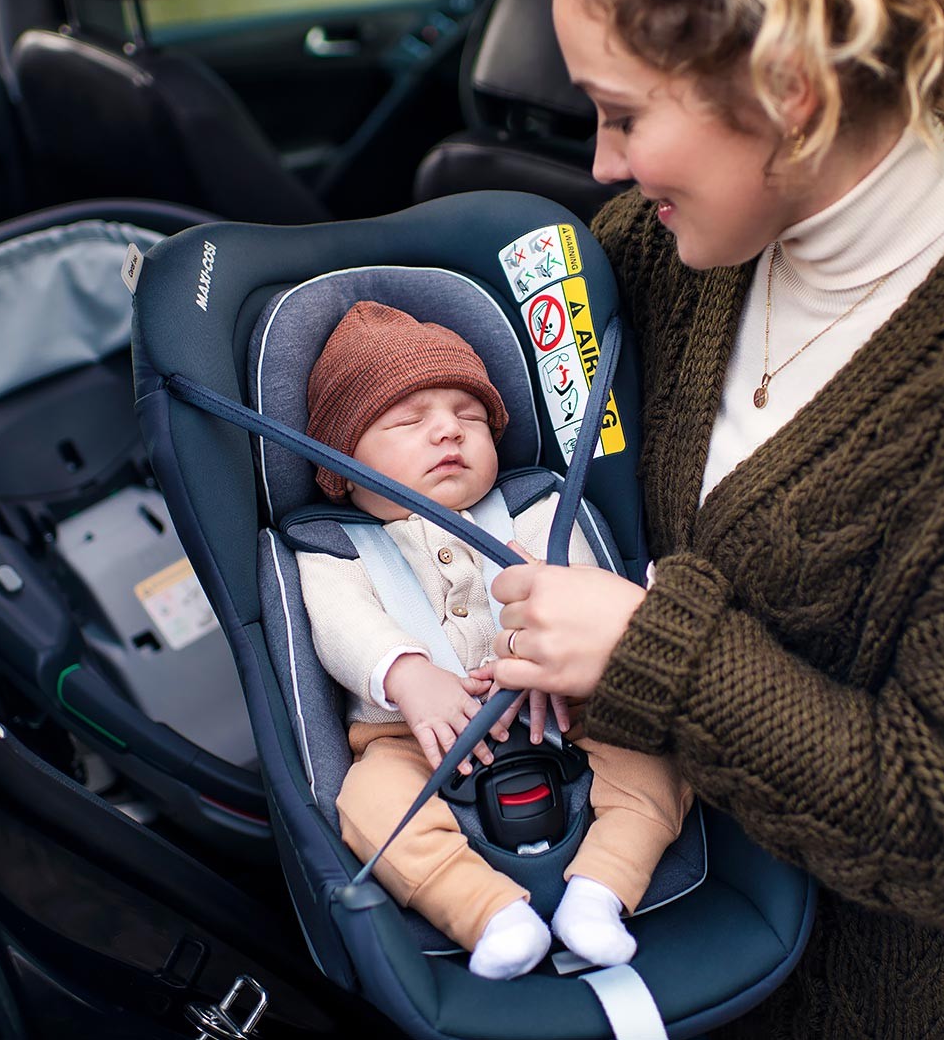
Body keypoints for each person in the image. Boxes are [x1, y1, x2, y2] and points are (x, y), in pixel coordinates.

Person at [482, 0, 944, 1034]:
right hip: (667, 959)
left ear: (788, 90)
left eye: (623, 113)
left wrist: (649, 649)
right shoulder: (669, 250)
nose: (602, 161)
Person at [295, 301, 692, 981]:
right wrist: (407, 672)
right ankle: (487, 913)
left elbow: (576, 589)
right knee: (367, 805)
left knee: (661, 753)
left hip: (564, 707)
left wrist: (549, 656)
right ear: (342, 464)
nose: (449, 429)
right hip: (409, 736)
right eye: (409, 421)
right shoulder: (332, 551)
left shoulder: (537, 508)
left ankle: (601, 889)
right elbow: (341, 625)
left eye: (471, 416)